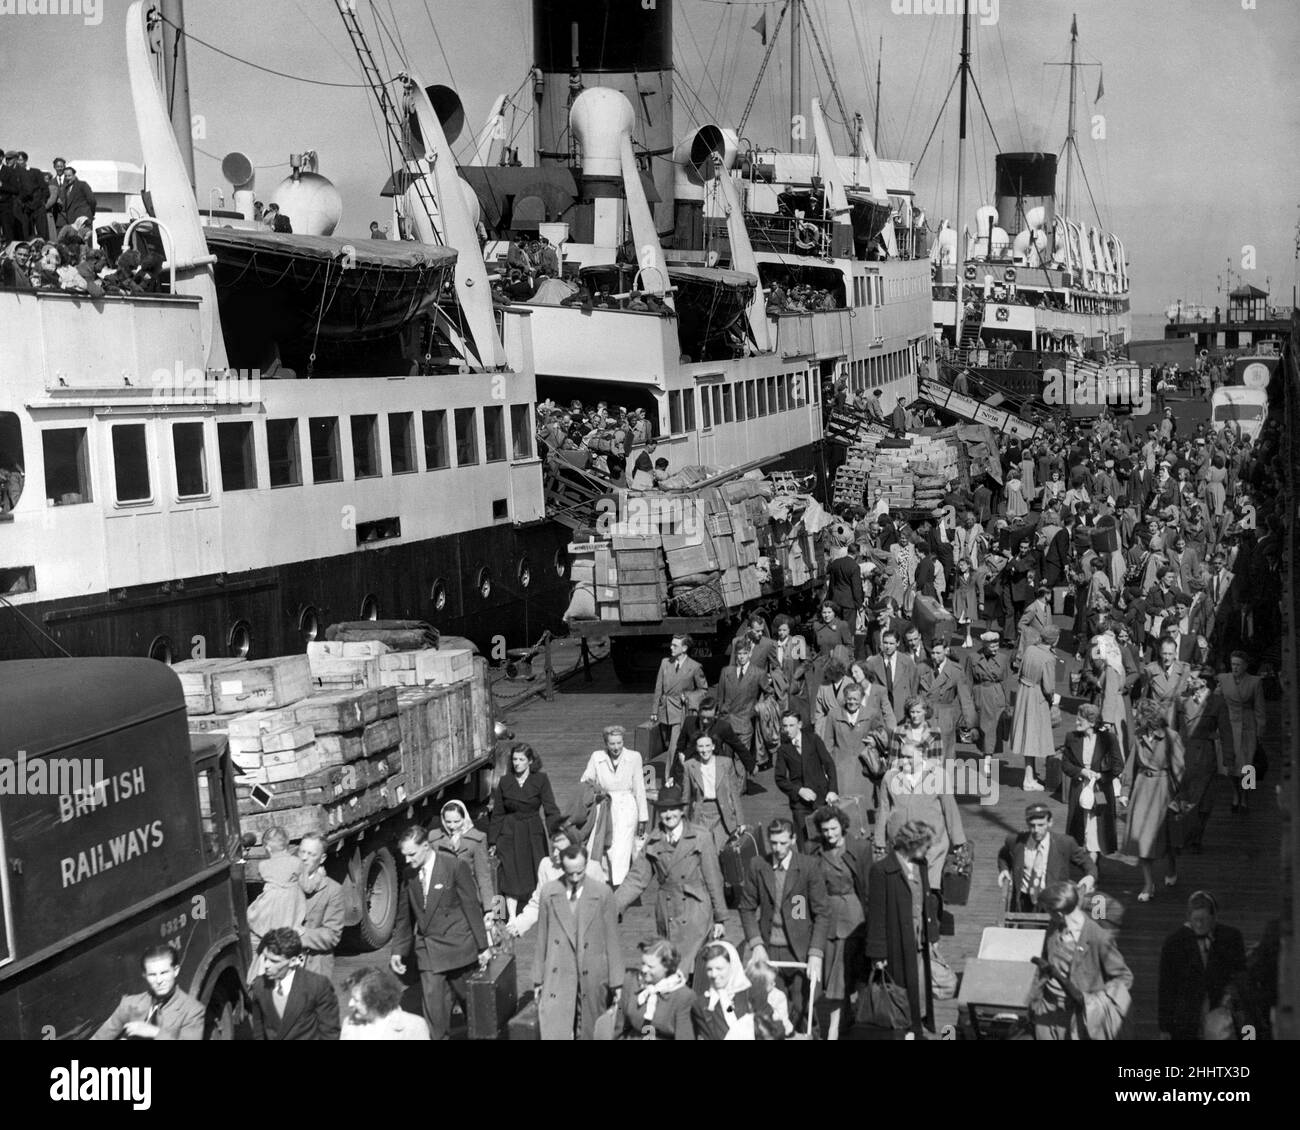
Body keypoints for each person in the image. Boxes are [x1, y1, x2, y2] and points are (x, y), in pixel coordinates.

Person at [389, 824, 492, 1039]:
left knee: (473, 1009)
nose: (407, 860)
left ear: (426, 846)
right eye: (404, 855)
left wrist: (483, 946)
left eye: (411, 854)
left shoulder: (454, 866)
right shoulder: (409, 874)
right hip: (428, 952)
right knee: (434, 1013)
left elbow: (471, 907)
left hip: (459, 949)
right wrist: (398, 950)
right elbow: (404, 916)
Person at [616, 784, 727, 973]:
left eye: (673, 809)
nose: (668, 814)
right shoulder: (653, 840)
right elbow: (636, 879)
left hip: (696, 910)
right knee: (671, 965)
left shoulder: (701, 836)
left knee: (693, 967)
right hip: (667, 911)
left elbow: (713, 879)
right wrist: (613, 906)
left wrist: (720, 918)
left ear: (682, 810)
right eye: (663, 810)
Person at [739, 818, 829, 1032]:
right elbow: (746, 908)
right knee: (771, 1010)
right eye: (773, 843)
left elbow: (822, 913)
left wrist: (816, 953)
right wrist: (757, 943)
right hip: (769, 950)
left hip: (799, 952)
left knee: (803, 1010)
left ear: (793, 839)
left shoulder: (808, 867)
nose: (778, 849)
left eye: (783, 843)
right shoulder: (758, 865)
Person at [533, 843, 624, 1040]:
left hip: (593, 970)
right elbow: (542, 937)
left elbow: (612, 939)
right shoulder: (549, 892)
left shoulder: (603, 893)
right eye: (569, 873)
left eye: (579, 872)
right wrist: (538, 978)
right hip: (559, 970)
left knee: (591, 1027)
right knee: (555, 1026)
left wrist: (617, 981)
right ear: (562, 868)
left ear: (586, 866)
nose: (575, 878)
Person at [1029, 881, 1133, 1040]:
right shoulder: (1054, 927)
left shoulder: (1099, 937)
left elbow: (1124, 978)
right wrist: (1034, 1001)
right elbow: (1045, 962)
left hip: (1078, 1017)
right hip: (1048, 1012)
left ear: (1058, 913)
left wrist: (1095, 1003)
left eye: (1048, 911)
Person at [863, 820, 938, 1037]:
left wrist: (932, 934)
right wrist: (878, 953)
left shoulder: (920, 865)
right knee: (901, 992)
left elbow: (927, 899)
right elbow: (876, 915)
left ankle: (917, 1027)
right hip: (896, 942)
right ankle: (906, 1031)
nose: (928, 850)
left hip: (918, 941)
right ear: (911, 844)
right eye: (925, 845)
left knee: (920, 988)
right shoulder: (881, 870)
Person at [874, 718, 965, 890]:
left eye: (909, 757)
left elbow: (950, 809)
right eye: (902, 756)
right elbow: (884, 809)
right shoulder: (890, 777)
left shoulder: (938, 776)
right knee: (905, 891)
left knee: (931, 889)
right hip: (901, 847)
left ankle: (932, 914)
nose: (904, 761)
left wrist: (959, 842)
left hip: (932, 846)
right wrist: (879, 841)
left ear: (922, 755)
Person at [809, 805, 868, 1039]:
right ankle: (841, 1019)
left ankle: (838, 1024)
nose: (830, 835)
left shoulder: (860, 848)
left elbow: (866, 886)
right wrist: (800, 918)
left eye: (833, 829)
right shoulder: (814, 851)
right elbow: (803, 889)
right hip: (827, 917)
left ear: (842, 826)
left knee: (845, 973)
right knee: (834, 973)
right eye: (825, 830)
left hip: (853, 917)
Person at [1157, 890, 1248, 1041]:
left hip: (1221, 1012)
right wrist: (1164, 1027)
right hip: (1186, 1017)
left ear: (1214, 917)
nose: (1199, 924)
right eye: (1195, 920)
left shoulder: (1231, 938)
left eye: (1204, 920)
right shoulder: (1174, 943)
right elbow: (1166, 987)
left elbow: (1241, 975)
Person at [1121, 699, 1186, 902]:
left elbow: (1180, 769)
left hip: (1162, 788)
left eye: (1139, 714)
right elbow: (1131, 764)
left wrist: (1180, 797)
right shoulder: (1139, 736)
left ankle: (1172, 866)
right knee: (1141, 838)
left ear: (1148, 716)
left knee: (1166, 837)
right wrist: (1125, 790)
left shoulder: (1171, 737)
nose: (1136, 717)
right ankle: (1149, 884)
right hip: (1141, 787)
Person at [489, 743, 560, 915]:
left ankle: (537, 910)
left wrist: (556, 835)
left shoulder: (540, 780)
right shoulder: (505, 781)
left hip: (532, 831)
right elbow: (498, 813)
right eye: (514, 759)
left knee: (538, 871)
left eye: (521, 759)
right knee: (509, 872)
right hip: (509, 832)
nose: (517, 763)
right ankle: (510, 916)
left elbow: (550, 808)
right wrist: (492, 841)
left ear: (530, 761)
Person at [507, 821, 607, 936]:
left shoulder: (592, 869)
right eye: (553, 848)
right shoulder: (546, 865)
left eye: (560, 850)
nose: (554, 854)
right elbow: (537, 904)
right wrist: (517, 926)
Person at [580, 726, 648, 887]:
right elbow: (586, 780)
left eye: (619, 743)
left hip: (626, 805)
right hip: (605, 805)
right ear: (606, 743)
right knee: (606, 845)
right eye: (612, 744)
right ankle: (605, 881)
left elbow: (639, 787)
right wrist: (596, 791)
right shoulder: (597, 757)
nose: (616, 747)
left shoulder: (634, 757)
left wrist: (643, 817)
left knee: (622, 848)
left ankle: (620, 884)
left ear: (623, 741)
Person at [92, 944, 205, 1040]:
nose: (159, 980)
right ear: (144, 976)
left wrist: (155, 1033)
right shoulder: (129, 1004)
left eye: (164, 973)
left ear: (175, 971)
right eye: (152, 975)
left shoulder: (193, 1010)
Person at [997, 803, 1097, 911]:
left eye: (1041, 825)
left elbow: (1087, 863)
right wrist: (1004, 869)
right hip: (1025, 901)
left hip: (1054, 901)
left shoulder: (1065, 843)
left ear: (1050, 822)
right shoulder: (1015, 841)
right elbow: (1003, 854)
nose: (1036, 830)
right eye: (1032, 825)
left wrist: (1090, 876)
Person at [249, 928, 341, 1041]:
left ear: (293, 961)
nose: (266, 965)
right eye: (265, 958)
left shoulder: (317, 985)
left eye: (274, 961)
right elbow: (259, 1032)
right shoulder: (259, 985)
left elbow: (330, 1032)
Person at [1060, 704, 1125, 861]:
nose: (1076, 722)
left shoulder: (1109, 739)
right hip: (1079, 789)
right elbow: (1065, 764)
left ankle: (1093, 871)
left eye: (1080, 720)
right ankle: (1089, 866)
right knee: (1080, 826)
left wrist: (1101, 776)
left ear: (1091, 722)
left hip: (1100, 790)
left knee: (1097, 826)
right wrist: (1081, 771)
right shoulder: (1072, 737)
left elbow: (1118, 765)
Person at [774, 710, 839, 848]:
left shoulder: (813, 740)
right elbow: (780, 779)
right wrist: (799, 790)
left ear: (800, 724)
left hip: (821, 798)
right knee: (805, 844)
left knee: (826, 839)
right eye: (784, 726)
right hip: (800, 805)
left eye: (791, 725)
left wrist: (832, 790)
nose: (787, 730)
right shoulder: (783, 749)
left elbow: (829, 764)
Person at [1009, 621, 1061, 792]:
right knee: (1034, 737)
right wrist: (1052, 700)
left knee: (1026, 737)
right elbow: (1048, 687)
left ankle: (1029, 776)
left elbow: (1020, 670)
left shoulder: (1030, 649)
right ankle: (1029, 779)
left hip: (1024, 693)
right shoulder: (1049, 658)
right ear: (1055, 640)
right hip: (1037, 696)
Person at [617, 938, 697, 1039]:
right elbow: (619, 1027)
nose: (644, 969)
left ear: (667, 967)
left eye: (650, 967)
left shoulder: (683, 996)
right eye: (643, 963)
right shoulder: (631, 982)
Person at [429, 799, 496, 919]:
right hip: (443, 901)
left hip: (469, 901)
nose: (452, 826)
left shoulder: (476, 840)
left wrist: (490, 909)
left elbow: (483, 876)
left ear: (464, 819)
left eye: (456, 821)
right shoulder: (434, 839)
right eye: (448, 821)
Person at [1216, 650, 1266, 812]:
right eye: (1233, 664)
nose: (1235, 667)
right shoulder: (1223, 679)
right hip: (1228, 725)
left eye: (1238, 664)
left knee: (1247, 765)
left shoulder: (1254, 682)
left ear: (1245, 666)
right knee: (1230, 765)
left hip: (1247, 726)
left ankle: (1245, 797)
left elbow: (1259, 709)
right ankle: (1235, 794)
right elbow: (1216, 701)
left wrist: (1260, 731)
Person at [680, 733, 746, 852]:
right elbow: (686, 797)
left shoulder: (726, 763)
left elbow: (734, 794)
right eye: (700, 746)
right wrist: (682, 824)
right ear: (696, 748)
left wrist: (740, 821)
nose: (704, 750)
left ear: (713, 746)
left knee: (722, 851)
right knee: (702, 852)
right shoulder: (689, 766)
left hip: (722, 814)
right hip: (700, 814)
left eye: (707, 745)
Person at [246, 826, 306, 951]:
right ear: (287, 844)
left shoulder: (264, 865)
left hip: (272, 900)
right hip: (292, 899)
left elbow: (263, 876)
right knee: (289, 917)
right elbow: (302, 879)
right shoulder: (296, 862)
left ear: (267, 848)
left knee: (257, 915)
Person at [294, 833, 345, 979]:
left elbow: (332, 935)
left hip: (315, 967)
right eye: (302, 852)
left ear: (322, 858)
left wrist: (302, 934)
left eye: (311, 854)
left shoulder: (332, 890)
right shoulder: (287, 883)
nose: (304, 858)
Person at [918, 637, 975, 761]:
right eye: (932, 653)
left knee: (945, 756)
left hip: (944, 717)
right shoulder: (922, 668)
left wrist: (971, 725)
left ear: (946, 651)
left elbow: (966, 700)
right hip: (924, 716)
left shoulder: (956, 671)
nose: (934, 656)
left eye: (938, 653)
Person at [651, 633, 708, 756]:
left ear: (684, 648)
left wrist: (688, 696)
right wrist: (654, 711)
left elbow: (703, 690)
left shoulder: (695, 667)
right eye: (671, 645)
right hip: (664, 710)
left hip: (681, 710)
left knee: (674, 746)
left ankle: (670, 775)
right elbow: (658, 688)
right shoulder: (665, 663)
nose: (671, 648)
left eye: (675, 646)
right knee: (666, 744)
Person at [672, 696, 751, 782]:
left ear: (716, 715)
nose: (705, 721)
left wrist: (751, 766)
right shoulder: (689, 722)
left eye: (709, 719)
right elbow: (679, 748)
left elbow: (738, 746)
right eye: (702, 717)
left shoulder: (723, 727)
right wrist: (672, 775)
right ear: (698, 713)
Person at [717, 641, 768, 772]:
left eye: (744, 653)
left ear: (750, 654)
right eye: (739, 653)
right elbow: (720, 697)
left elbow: (769, 694)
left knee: (741, 758)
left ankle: (739, 790)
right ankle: (730, 788)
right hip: (727, 721)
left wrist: (758, 707)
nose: (741, 657)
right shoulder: (726, 671)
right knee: (726, 759)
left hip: (745, 721)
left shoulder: (758, 673)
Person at [340, 968, 430, 1040]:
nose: (350, 1004)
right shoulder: (350, 1023)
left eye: (356, 1000)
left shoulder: (414, 1026)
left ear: (374, 1001)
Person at [964, 629, 1011, 764]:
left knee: (992, 729)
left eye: (997, 646)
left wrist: (1007, 703)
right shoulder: (972, 658)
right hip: (980, 695)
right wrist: (967, 703)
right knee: (983, 728)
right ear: (984, 645)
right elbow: (967, 681)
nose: (996, 649)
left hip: (996, 696)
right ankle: (986, 755)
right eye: (992, 646)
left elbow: (1006, 681)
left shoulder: (1003, 658)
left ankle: (987, 759)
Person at [691, 940, 752, 1039]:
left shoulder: (750, 996)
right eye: (709, 969)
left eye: (719, 969)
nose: (714, 975)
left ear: (732, 966)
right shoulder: (703, 1004)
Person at [865, 628, 920, 721]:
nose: (887, 646)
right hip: (881, 711)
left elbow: (914, 687)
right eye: (885, 643)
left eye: (891, 644)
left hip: (901, 711)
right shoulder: (873, 662)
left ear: (897, 643)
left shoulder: (907, 662)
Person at [828, 543, 864, 626]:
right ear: (857, 553)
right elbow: (856, 588)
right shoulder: (854, 566)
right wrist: (860, 605)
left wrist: (830, 599)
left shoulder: (836, 563)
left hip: (836, 600)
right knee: (848, 630)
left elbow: (831, 584)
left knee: (836, 628)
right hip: (849, 603)